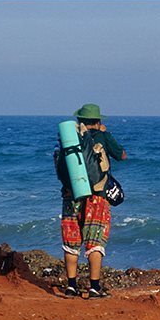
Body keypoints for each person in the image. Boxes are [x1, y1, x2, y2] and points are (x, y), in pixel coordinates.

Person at [54, 103, 127, 299]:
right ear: (98, 121)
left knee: (71, 242)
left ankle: (71, 286)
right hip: (96, 197)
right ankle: (94, 287)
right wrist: (106, 133)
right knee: (95, 242)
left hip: (70, 195)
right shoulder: (101, 136)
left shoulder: (68, 138)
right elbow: (122, 155)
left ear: (79, 121)